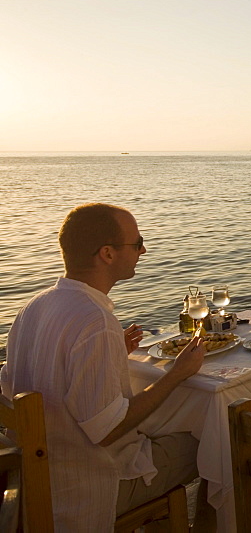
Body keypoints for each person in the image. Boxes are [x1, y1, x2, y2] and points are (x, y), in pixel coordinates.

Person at [0, 204, 207, 531]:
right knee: (212, 442)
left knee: (166, 426)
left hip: (37, 479)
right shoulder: (95, 321)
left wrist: (114, 353)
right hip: (86, 489)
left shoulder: (33, 307)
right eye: (137, 243)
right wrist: (177, 374)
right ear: (108, 254)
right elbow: (108, 429)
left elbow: (31, 382)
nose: (144, 250)